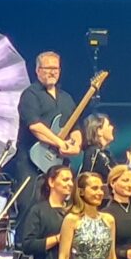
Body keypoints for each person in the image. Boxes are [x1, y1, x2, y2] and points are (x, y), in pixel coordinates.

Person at [13, 52, 79, 208]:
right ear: (37, 70)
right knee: (30, 208)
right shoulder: (30, 94)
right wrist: (60, 143)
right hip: (31, 163)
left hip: (58, 164)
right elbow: (35, 126)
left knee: (59, 208)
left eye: (55, 68)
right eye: (48, 68)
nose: (52, 72)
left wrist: (75, 145)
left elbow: (76, 126)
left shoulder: (66, 98)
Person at [18, 165, 74, 259]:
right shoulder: (39, 210)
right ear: (51, 182)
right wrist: (58, 238)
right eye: (65, 179)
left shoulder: (74, 211)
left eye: (72, 180)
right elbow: (28, 245)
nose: (70, 184)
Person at [80, 113, 131, 181]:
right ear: (99, 131)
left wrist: (129, 163)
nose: (112, 127)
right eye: (109, 125)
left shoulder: (102, 153)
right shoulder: (97, 153)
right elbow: (117, 181)